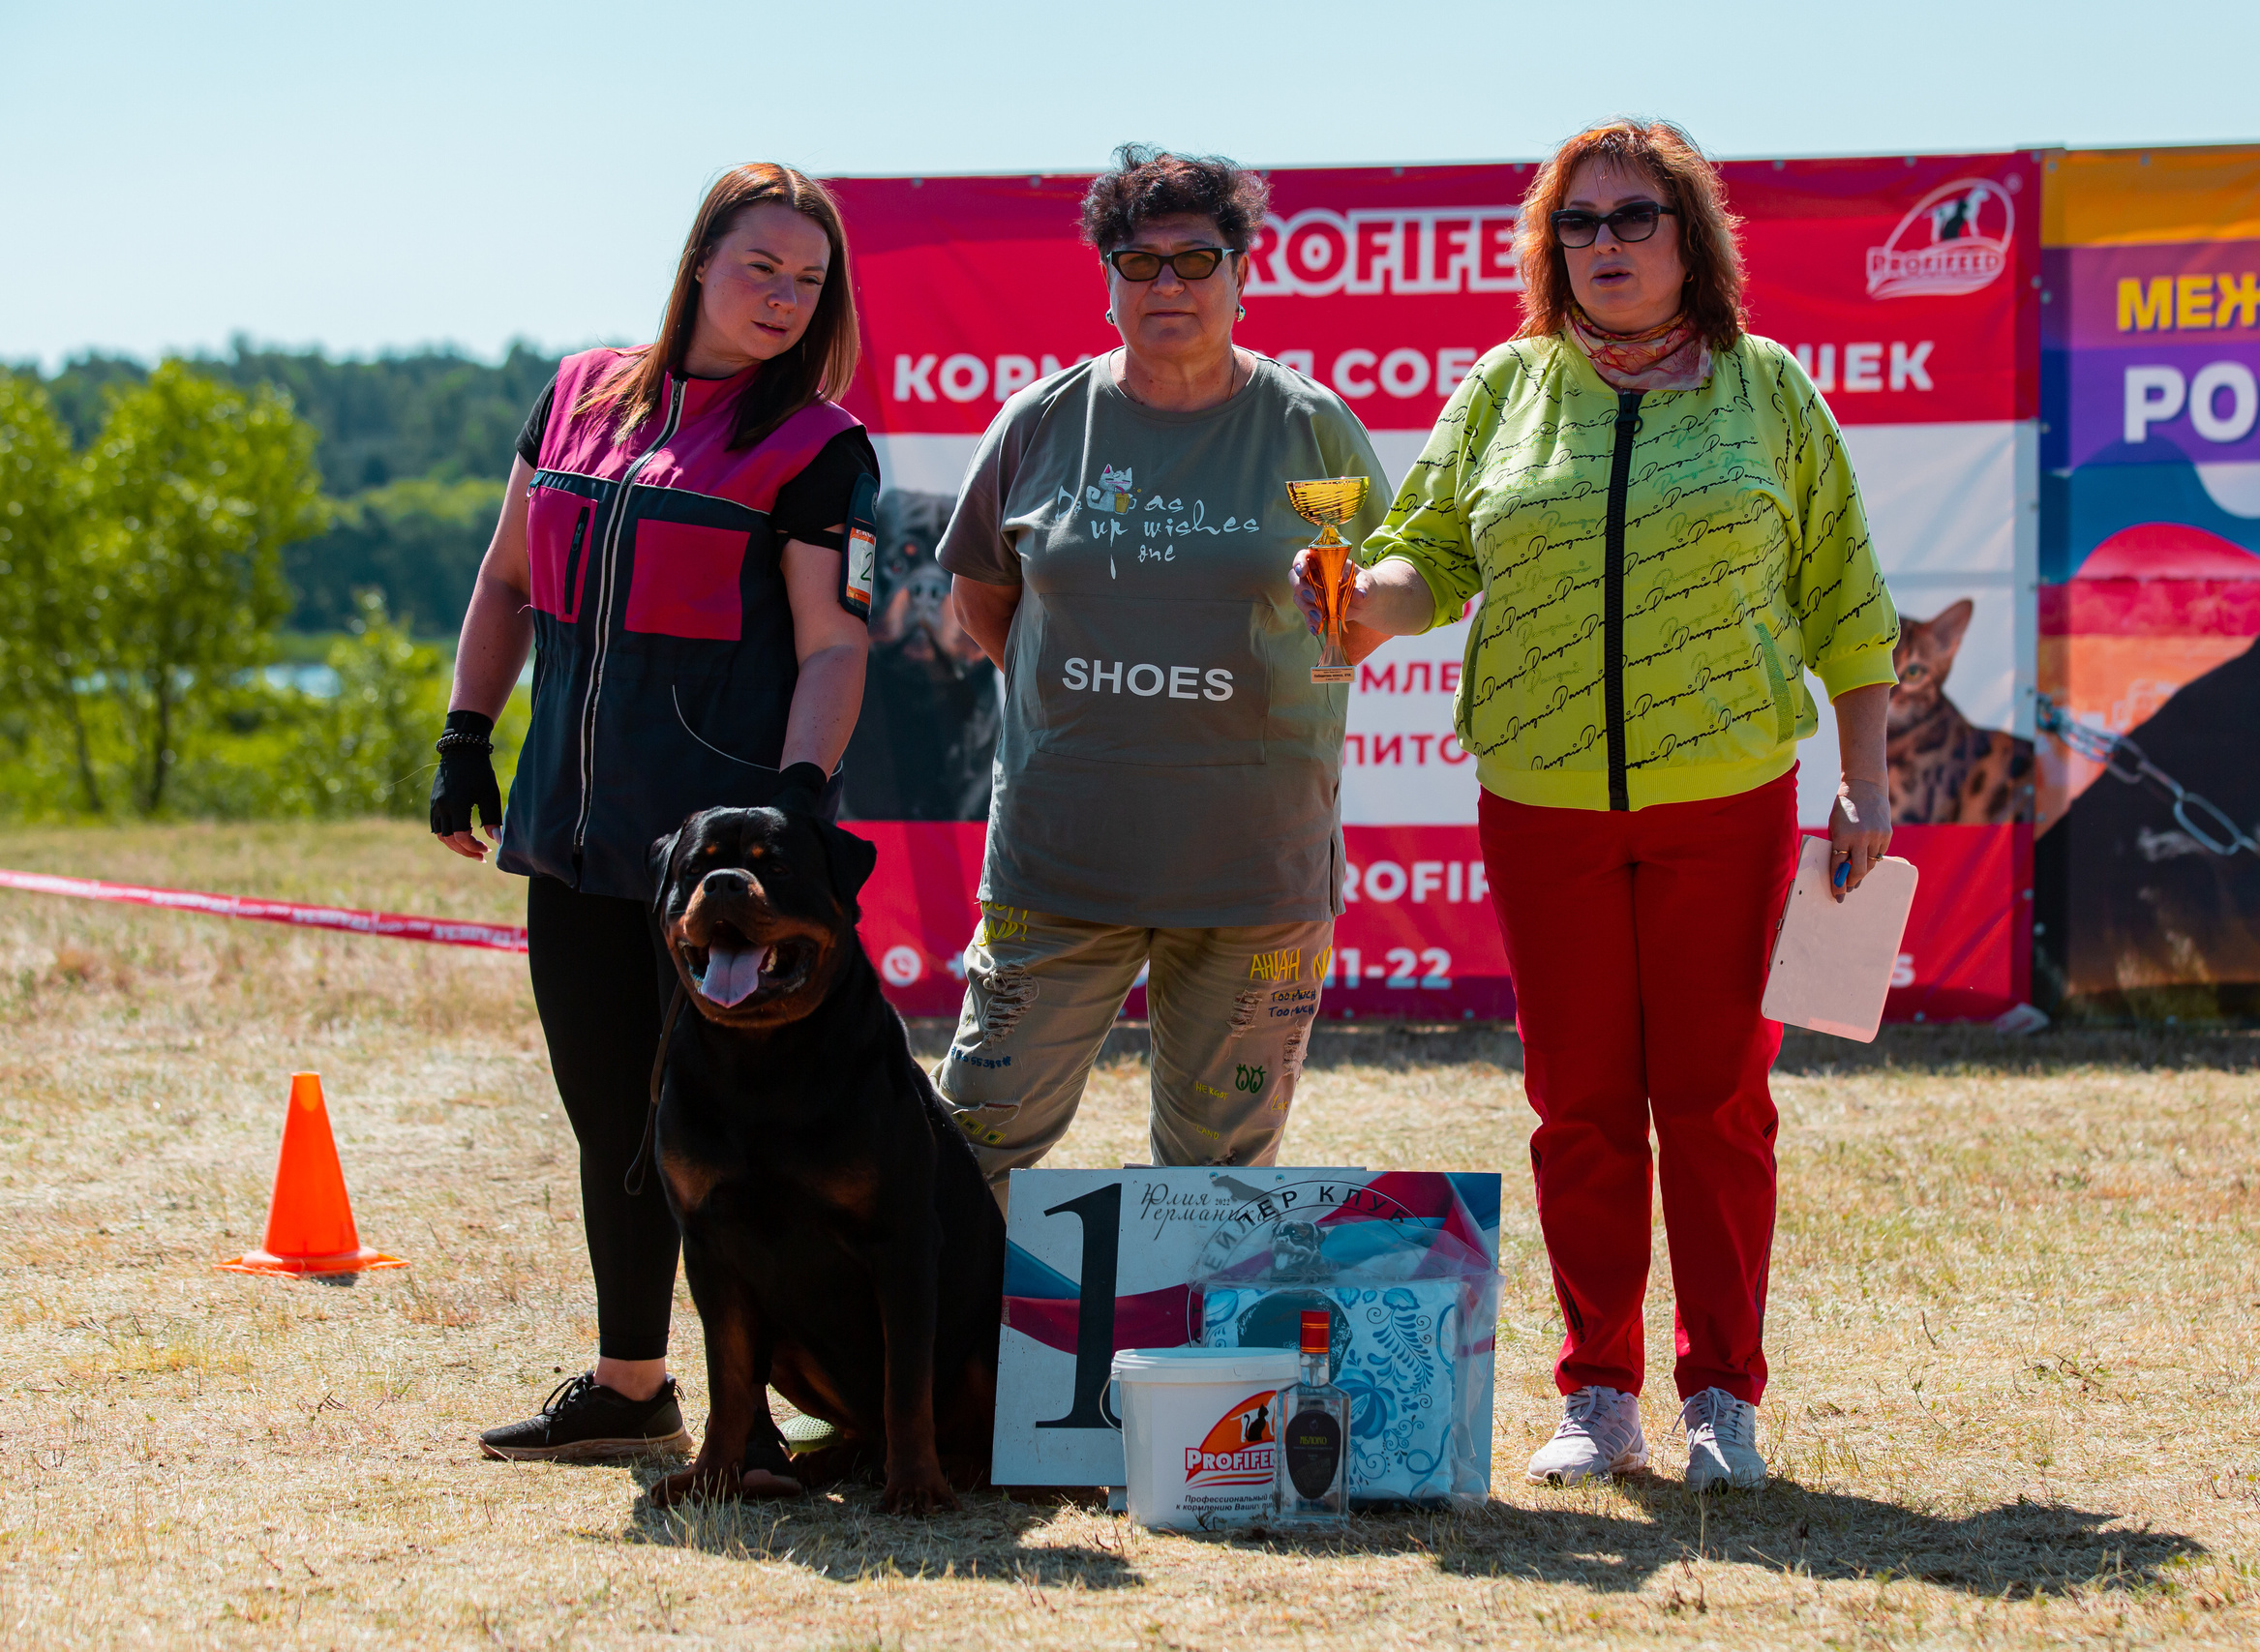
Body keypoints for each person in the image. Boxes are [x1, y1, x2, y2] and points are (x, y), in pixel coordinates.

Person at [1305, 120, 1898, 1492]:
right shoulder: (1506, 387)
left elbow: (1846, 597)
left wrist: (1866, 777)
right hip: (1541, 800)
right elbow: (1426, 558)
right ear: (1548, 246)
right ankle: (1598, 1392)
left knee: (1716, 1104)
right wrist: (1352, 598)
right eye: (1577, 222)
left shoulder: (1769, 388)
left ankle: (1721, 1396)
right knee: (1576, 1105)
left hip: (1728, 795)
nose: (1605, 243)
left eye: (1635, 217)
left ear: (1692, 237)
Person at [428, 163, 875, 1477]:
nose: (784, 297)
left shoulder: (818, 445)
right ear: (698, 263)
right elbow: (505, 581)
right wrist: (464, 735)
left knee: (736, 1138)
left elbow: (833, 646)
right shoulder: (575, 394)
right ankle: (632, 1386)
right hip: (570, 836)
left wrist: (798, 802)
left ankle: (775, 1412)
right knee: (611, 1121)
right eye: (761, 267)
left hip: (717, 865)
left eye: (809, 281)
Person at [934, 144, 1389, 1208]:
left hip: (1253, 872)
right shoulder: (1040, 422)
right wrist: (1089, 709)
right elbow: (984, 601)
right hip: (1061, 861)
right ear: (1107, 283)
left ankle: (1184, 1331)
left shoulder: (1311, 428)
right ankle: (950, 1326)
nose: (1168, 284)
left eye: (1196, 259)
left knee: (1218, 1179)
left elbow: (1360, 608)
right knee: (971, 1145)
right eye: (1138, 263)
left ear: (1242, 273)